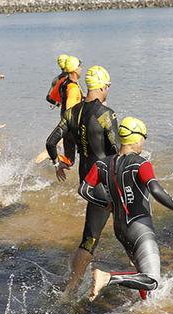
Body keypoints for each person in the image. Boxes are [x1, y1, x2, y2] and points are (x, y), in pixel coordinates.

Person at [77, 117, 173, 301]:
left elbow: (84, 190)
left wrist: (106, 204)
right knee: (152, 280)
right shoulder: (141, 163)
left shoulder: (102, 164)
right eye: (144, 137)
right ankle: (107, 278)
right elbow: (155, 189)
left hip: (120, 229)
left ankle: (146, 305)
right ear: (135, 139)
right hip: (139, 226)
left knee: (140, 270)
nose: (144, 142)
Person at [45, 65, 120, 294]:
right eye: (108, 86)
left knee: (89, 238)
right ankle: (145, 281)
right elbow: (119, 150)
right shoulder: (106, 115)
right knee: (134, 230)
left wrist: (58, 163)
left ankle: (71, 287)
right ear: (103, 86)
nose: (108, 90)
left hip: (88, 185)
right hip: (109, 183)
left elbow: (50, 142)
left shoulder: (71, 112)